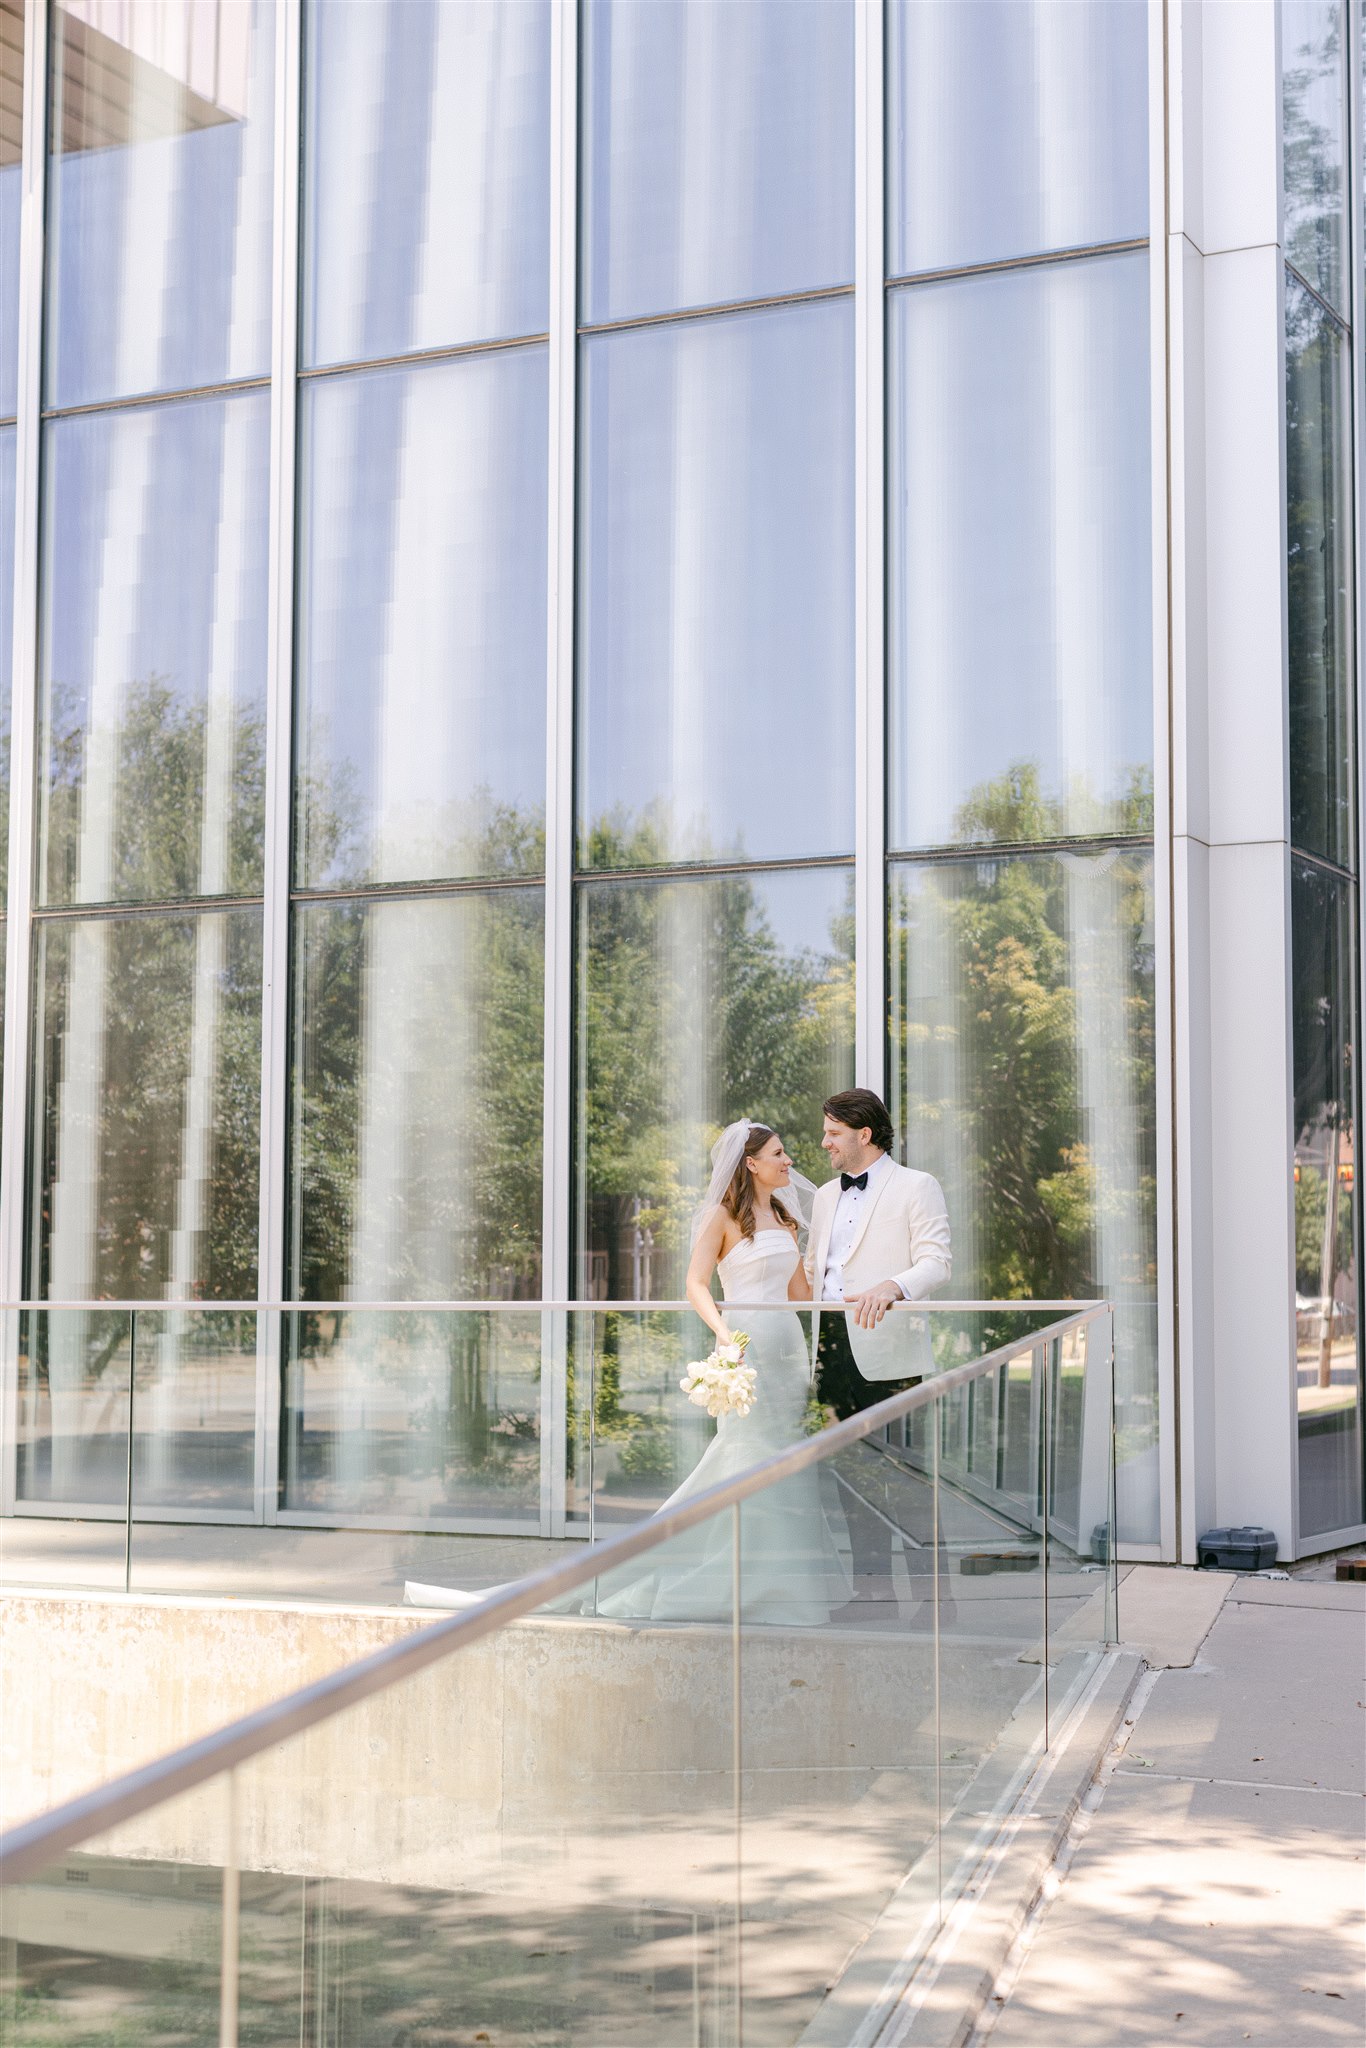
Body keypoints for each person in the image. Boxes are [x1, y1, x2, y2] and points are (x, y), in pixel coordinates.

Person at [589, 1119, 849, 1624]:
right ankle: (711, 1578)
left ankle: (783, 1590)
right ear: (751, 1164)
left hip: (787, 1351)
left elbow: (800, 1297)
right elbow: (695, 1284)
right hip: (745, 1350)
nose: (789, 1161)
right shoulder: (721, 1217)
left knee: (787, 1468)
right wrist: (725, 1335)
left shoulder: (787, 1218)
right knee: (743, 1459)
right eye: (779, 1154)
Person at [808, 1088, 952, 1617]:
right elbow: (815, 1273)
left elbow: (937, 1262)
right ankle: (874, 1595)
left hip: (893, 1354)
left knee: (910, 1483)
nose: (824, 1143)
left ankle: (936, 1601)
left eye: (832, 1133)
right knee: (852, 1479)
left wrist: (892, 1286)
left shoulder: (918, 1186)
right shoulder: (825, 1197)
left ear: (863, 1135)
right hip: (832, 1350)